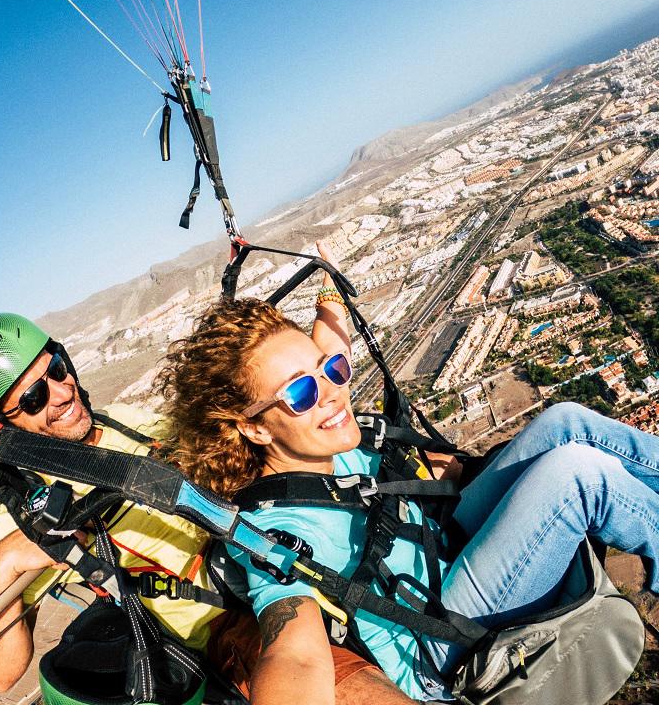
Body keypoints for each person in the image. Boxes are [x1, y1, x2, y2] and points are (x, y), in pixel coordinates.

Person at [158, 294, 659, 704]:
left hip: (443, 552)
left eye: (331, 370)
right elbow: (296, 653)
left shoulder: (327, 445)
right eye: (302, 393)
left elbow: (332, 343)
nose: (332, 392)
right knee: (577, 478)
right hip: (438, 643)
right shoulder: (275, 530)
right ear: (252, 427)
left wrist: (329, 294)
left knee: (562, 422)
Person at [0, 275, 416, 704]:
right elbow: (0, 676)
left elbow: (261, 406)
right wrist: (8, 561)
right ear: (4, 425)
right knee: (351, 688)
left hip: (273, 534)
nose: (62, 393)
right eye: (32, 397)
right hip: (228, 618)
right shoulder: (30, 515)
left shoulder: (128, 423)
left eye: (57, 369)